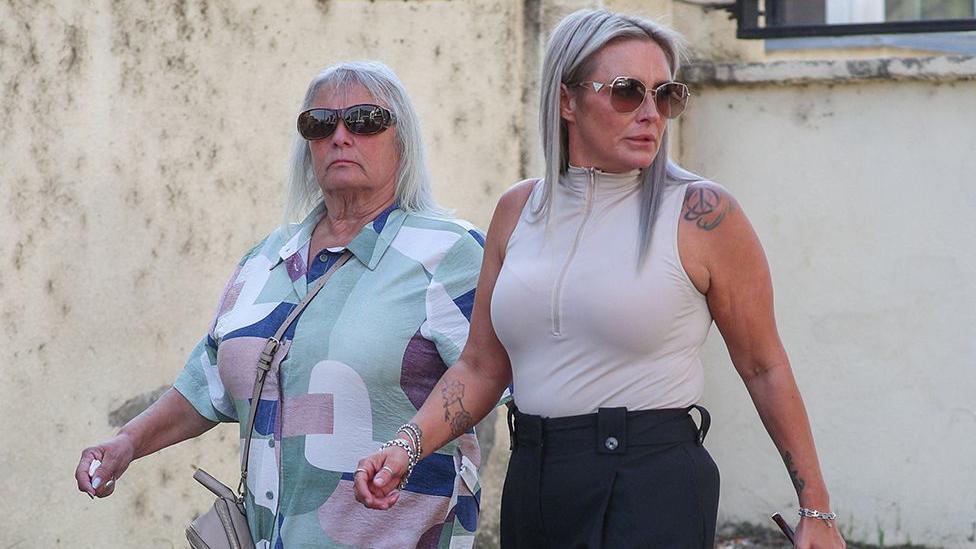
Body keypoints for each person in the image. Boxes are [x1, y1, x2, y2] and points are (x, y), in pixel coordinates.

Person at [354, 9, 847, 549]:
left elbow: (763, 363)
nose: (650, 113)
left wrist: (816, 509)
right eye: (626, 91)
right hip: (537, 479)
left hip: (652, 482)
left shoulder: (702, 213)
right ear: (567, 100)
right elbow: (481, 365)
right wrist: (404, 448)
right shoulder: (518, 210)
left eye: (666, 95)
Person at [75, 61, 488, 548]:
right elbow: (206, 384)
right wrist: (128, 442)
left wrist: (407, 445)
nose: (340, 136)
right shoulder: (266, 259)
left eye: (364, 121)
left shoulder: (448, 253)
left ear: (403, 138)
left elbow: (490, 376)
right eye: (319, 124)